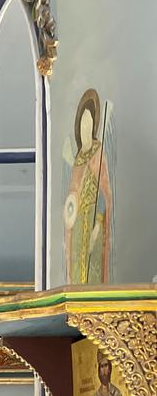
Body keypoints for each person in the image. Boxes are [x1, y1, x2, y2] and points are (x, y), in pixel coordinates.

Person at [64, 90, 112, 285]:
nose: (85, 127)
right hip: (77, 226)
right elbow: (72, 197)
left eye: (88, 123)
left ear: (93, 126)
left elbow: (104, 194)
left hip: (93, 220)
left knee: (92, 272)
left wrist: (97, 226)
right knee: (77, 273)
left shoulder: (97, 152)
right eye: (82, 123)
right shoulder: (78, 159)